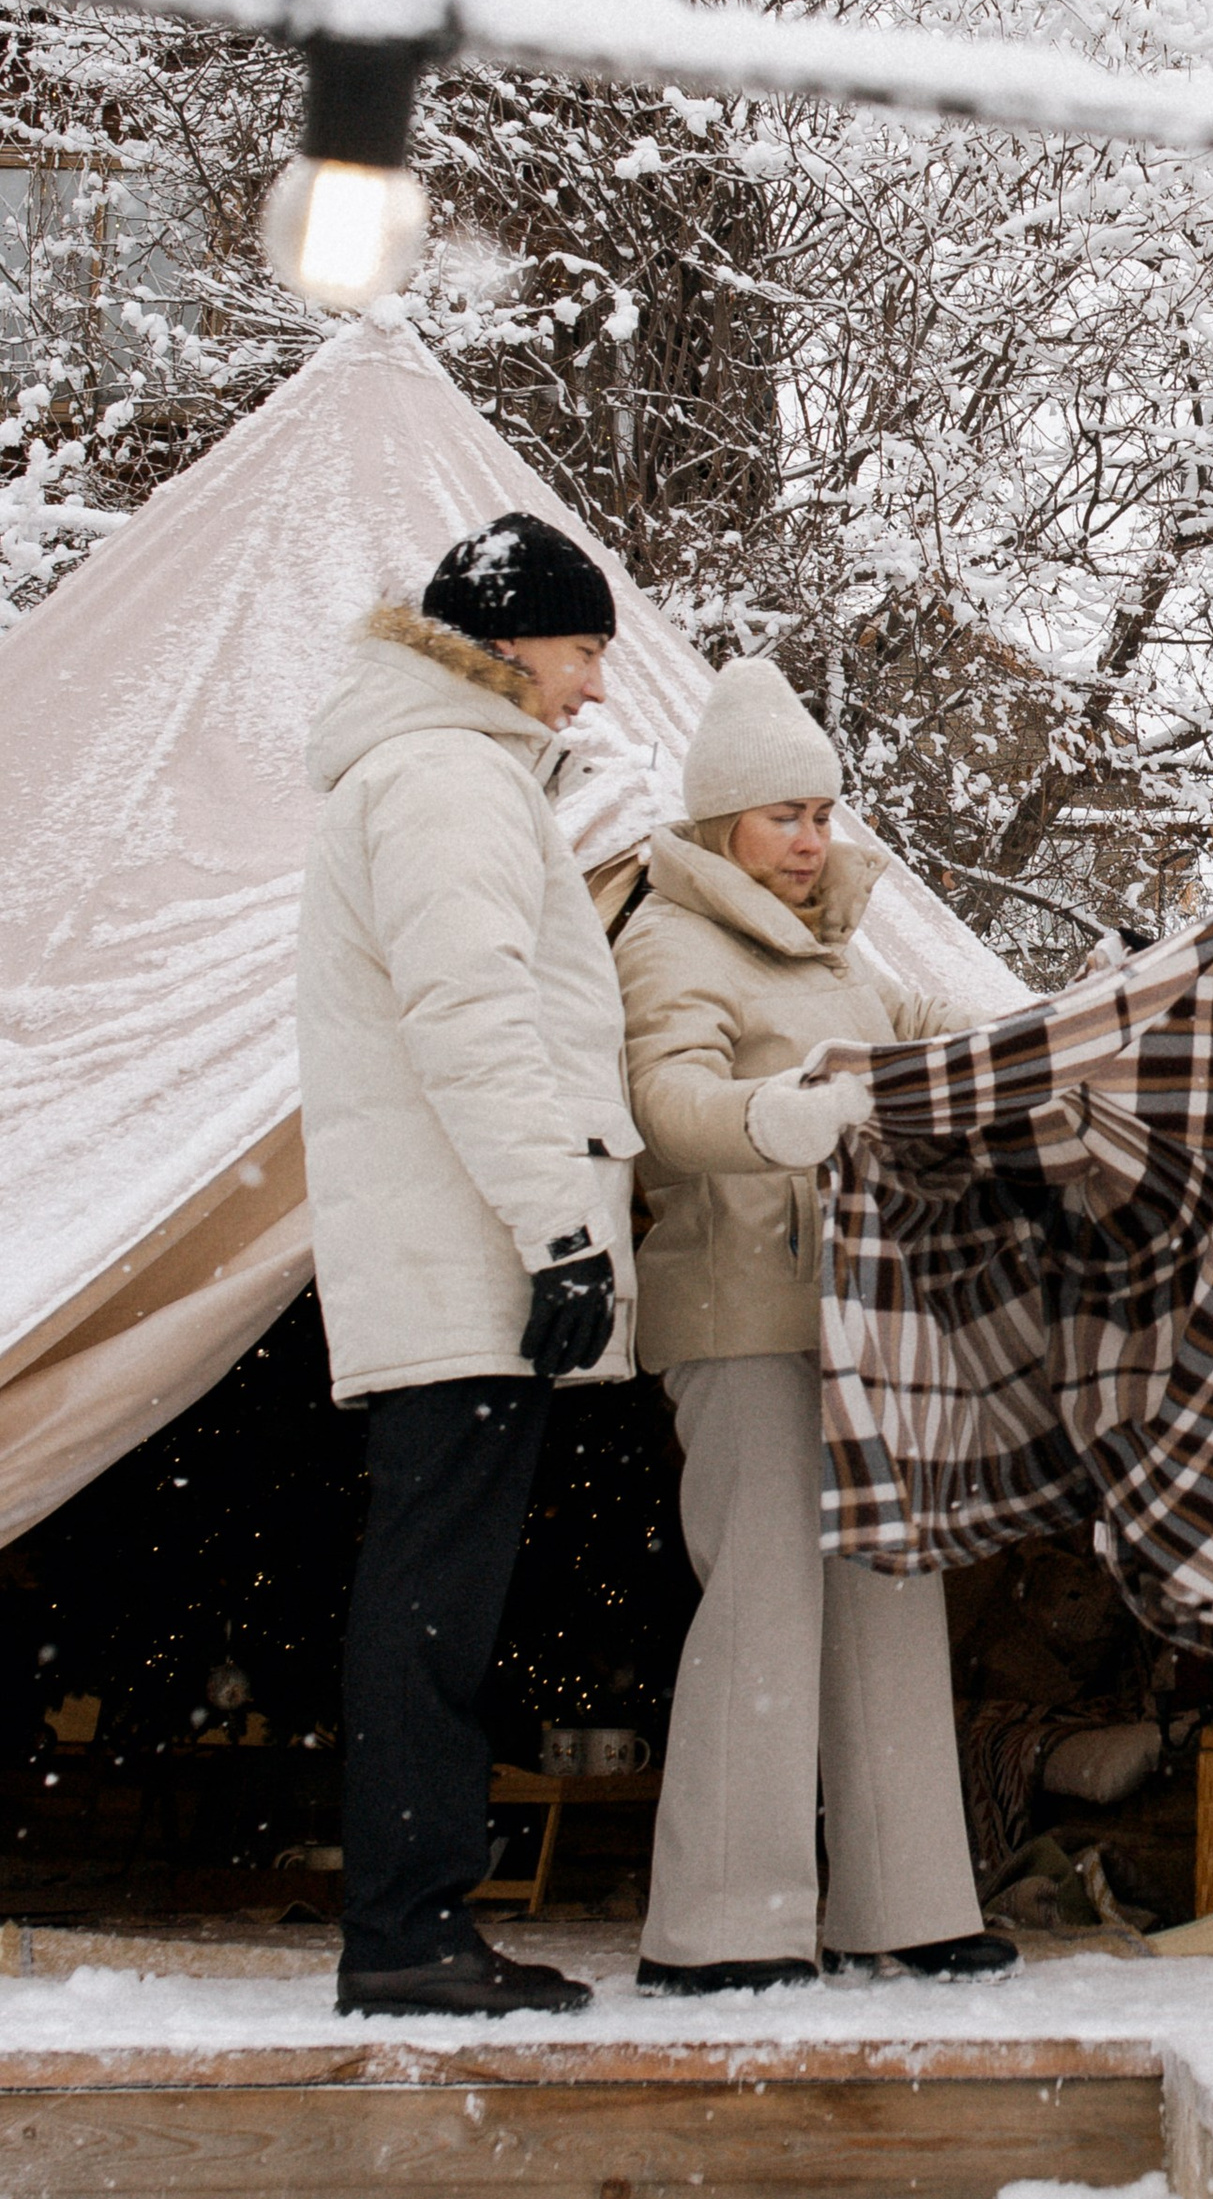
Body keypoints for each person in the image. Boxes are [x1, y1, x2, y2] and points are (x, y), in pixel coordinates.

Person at [614, 655, 1015, 1992]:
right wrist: (772, 1112)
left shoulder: (838, 951)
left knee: (890, 1590)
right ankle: (728, 1922)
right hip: (740, 1313)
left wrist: (1062, 1027)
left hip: (864, 1319)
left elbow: (938, 1034)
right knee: (767, 1599)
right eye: (785, 812)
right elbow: (665, 1101)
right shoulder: (667, 939)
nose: (811, 836)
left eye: (823, 811)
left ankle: (909, 1902)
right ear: (724, 819)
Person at [300, 512, 640, 2021]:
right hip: (469, 1252)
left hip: (450, 1244)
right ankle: (410, 1930)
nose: (592, 689)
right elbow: (474, 1020)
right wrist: (559, 1235)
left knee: (435, 1588)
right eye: (581, 654)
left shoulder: (435, 768)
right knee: (436, 1599)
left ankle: (415, 1915)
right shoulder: (448, 777)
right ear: (506, 650)